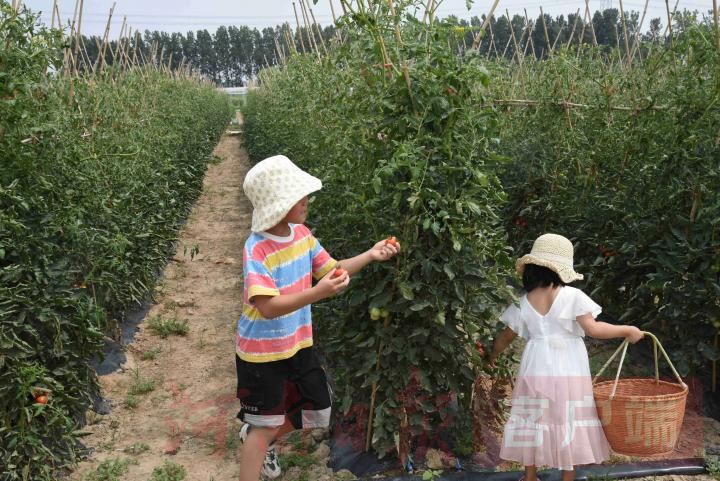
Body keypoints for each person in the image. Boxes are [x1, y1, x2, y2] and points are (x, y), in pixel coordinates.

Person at [237, 155, 400, 481]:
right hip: (262, 354)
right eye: (298, 195)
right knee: (263, 427)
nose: (306, 200)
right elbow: (267, 307)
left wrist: (371, 254)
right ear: (278, 203)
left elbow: (333, 269)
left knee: (316, 408)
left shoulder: (302, 235)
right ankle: (258, 441)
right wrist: (318, 292)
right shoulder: (257, 249)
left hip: (298, 344)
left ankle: (261, 436)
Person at [488, 233, 643, 481]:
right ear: (561, 269)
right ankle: (567, 477)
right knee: (567, 416)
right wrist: (627, 330)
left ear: (532, 268)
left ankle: (530, 476)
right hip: (568, 366)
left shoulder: (525, 302)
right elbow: (593, 329)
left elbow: (506, 336)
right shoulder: (572, 297)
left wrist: (491, 356)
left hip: (535, 364)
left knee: (533, 415)